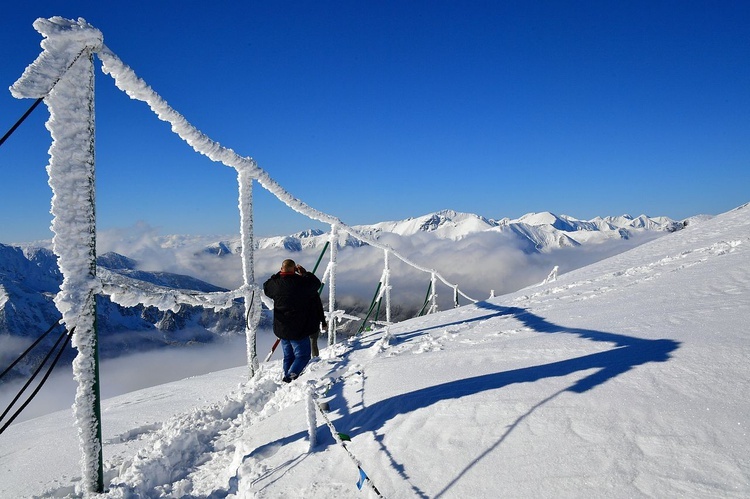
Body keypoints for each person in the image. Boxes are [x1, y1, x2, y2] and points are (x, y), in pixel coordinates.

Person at [263, 259, 324, 382]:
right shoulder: (302, 283)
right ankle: (290, 378)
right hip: (299, 328)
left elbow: (266, 286)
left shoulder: (275, 284)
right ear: (294, 270)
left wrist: (279, 274)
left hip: (282, 328)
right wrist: (305, 273)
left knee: (288, 356)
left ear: (281, 269)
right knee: (303, 356)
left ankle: (288, 376)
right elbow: (316, 283)